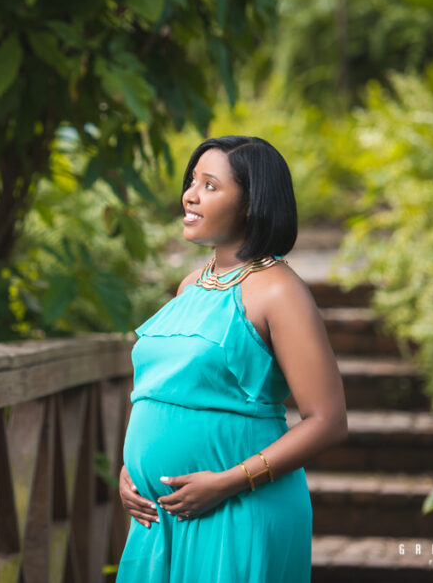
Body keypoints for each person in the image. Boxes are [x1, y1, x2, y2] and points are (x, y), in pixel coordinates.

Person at [115, 136, 348, 582]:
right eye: (191, 182)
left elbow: (328, 420)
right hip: (158, 516)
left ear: (250, 203)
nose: (189, 194)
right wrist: (131, 469)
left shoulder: (280, 291)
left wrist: (227, 483)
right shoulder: (191, 286)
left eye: (210, 185)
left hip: (238, 507)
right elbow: (165, 392)